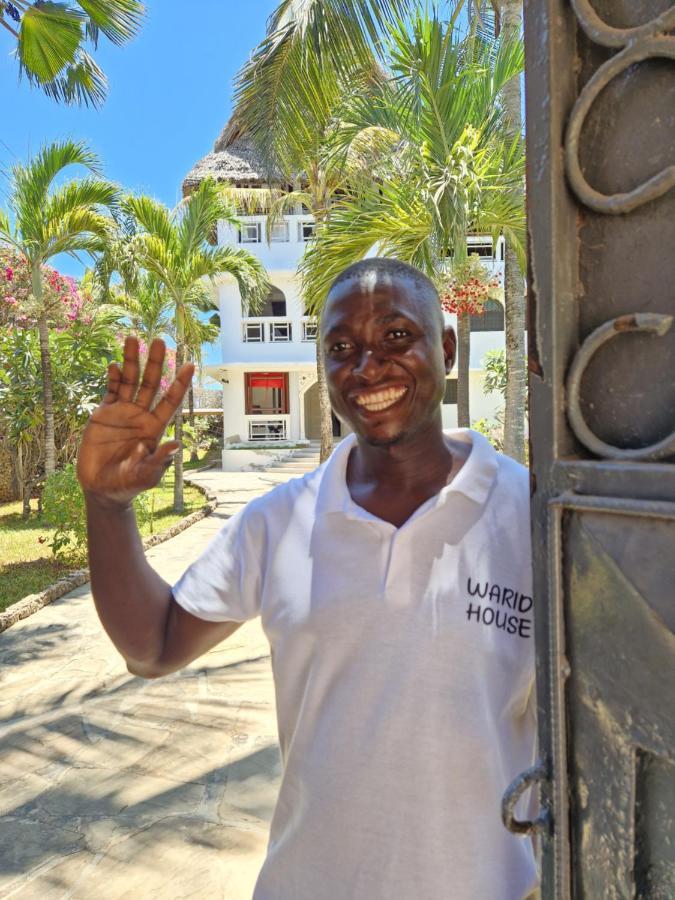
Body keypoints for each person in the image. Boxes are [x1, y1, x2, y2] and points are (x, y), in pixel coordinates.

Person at [78, 258, 537, 900]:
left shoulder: (533, 514)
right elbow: (152, 645)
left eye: (397, 337)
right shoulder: (278, 521)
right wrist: (107, 506)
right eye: (341, 348)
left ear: (449, 348)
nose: (367, 367)